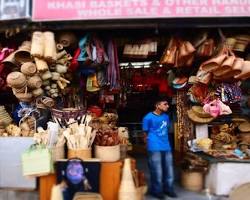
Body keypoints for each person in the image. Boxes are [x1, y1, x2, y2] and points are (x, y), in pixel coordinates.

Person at [142, 96, 177, 199]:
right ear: (157, 105)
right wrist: (147, 145)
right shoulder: (148, 117)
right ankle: (156, 191)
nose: (167, 106)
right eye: (165, 104)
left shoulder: (166, 117)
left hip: (166, 146)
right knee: (157, 170)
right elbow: (145, 133)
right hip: (154, 146)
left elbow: (166, 130)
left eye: (167, 104)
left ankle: (168, 189)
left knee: (169, 170)